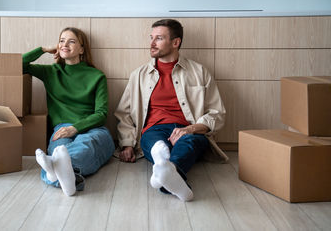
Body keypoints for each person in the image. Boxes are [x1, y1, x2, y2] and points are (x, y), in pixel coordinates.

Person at [114, 19, 227, 201]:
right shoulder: (139, 75)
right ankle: (171, 174)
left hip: (189, 130)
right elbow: (123, 113)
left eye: (158, 38)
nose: (151, 43)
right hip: (153, 130)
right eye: (151, 38)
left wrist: (190, 129)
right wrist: (127, 143)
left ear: (176, 43)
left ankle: (166, 168)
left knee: (190, 143)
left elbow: (217, 113)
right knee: (154, 143)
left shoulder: (199, 72)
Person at [23, 27, 115, 196]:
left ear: (82, 49)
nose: (65, 44)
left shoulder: (97, 76)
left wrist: (75, 128)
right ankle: (68, 179)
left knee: (85, 147)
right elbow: (18, 65)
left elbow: (101, 114)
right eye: (62, 40)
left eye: (71, 41)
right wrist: (43, 50)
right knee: (60, 153)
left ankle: (52, 173)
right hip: (61, 130)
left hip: (92, 128)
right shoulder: (51, 72)